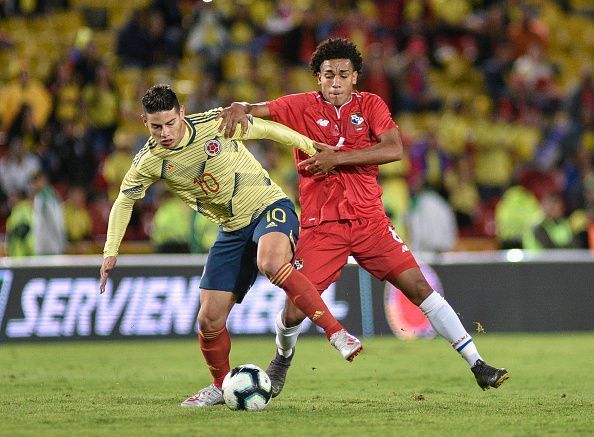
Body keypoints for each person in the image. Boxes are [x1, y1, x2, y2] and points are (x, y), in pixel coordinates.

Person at [218, 38, 509, 397]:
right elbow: (255, 109)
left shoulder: (371, 105)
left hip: (371, 222)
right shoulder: (299, 106)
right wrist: (237, 106)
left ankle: (478, 364)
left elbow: (394, 148)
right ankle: (281, 359)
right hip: (322, 227)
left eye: (343, 74)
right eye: (328, 75)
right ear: (318, 78)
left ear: (355, 76)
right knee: (294, 311)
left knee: (419, 288)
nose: (335, 81)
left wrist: (336, 159)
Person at [98, 84, 362, 408]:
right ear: (144, 122)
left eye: (170, 123)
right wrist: (111, 252)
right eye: (156, 126)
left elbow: (268, 129)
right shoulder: (149, 161)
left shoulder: (215, 123)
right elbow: (124, 201)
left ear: (182, 113)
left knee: (270, 262)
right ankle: (221, 386)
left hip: (269, 207)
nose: (165, 132)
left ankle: (336, 332)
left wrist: (310, 146)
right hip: (232, 230)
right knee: (208, 320)